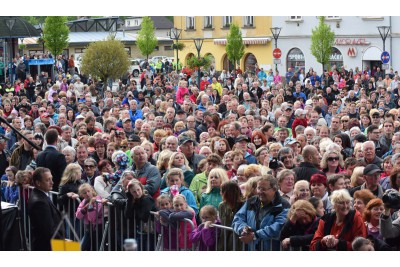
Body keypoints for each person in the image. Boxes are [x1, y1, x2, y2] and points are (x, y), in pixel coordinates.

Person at [232, 175, 290, 251]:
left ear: (274, 189)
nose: (260, 192)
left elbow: (278, 226)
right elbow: (238, 218)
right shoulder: (251, 201)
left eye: (263, 189)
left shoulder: (283, 206)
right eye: (258, 188)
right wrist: (243, 229)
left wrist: (255, 235)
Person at [28, 167, 65, 251]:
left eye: (51, 179)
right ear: (38, 183)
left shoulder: (40, 194)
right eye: (48, 180)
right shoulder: (40, 203)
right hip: (47, 247)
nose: (52, 182)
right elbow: (49, 231)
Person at [124, 179, 156, 250]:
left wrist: (135, 208)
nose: (137, 193)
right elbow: (127, 215)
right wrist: (129, 199)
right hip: (141, 231)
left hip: (151, 232)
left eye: (138, 190)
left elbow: (143, 216)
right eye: (134, 192)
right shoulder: (135, 200)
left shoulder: (146, 199)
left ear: (141, 188)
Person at [75, 183, 103, 251]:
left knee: (97, 248)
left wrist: (90, 205)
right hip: (88, 229)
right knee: (83, 248)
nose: (87, 194)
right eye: (84, 193)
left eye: (88, 191)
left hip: (98, 228)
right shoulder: (84, 201)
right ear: (81, 195)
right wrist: (85, 207)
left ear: (92, 191)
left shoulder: (98, 200)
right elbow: (78, 215)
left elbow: (92, 218)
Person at [218, 181, 243, 251]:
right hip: (225, 236)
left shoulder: (243, 205)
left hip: (238, 239)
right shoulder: (222, 206)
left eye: (221, 191)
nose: (220, 193)